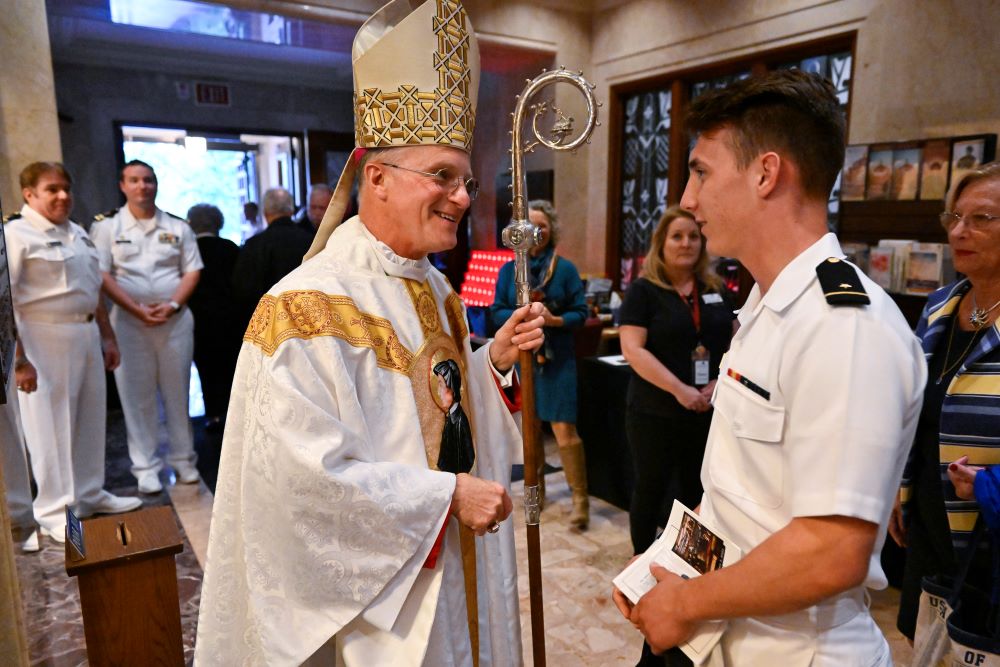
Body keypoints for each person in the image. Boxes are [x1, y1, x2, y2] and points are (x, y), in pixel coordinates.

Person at [195, 2, 545, 664]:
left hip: (456, 571)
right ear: (376, 178)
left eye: (466, 179)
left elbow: (440, 408)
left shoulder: (436, 288)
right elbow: (298, 489)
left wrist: (490, 362)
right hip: (385, 604)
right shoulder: (304, 306)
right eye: (442, 175)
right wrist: (445, 498)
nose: (464, 196)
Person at [613, 69, 926, 665]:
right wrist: (666, 562)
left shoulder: (844, 325)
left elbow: (831, 551)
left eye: (701, 171)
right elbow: (738, 492)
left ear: (766, 173)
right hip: (717, 627)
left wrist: (684, 603)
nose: (687, 197)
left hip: (787, 648)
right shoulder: (767, 306)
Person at [891, 161, 1000, 640]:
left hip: (989, 539)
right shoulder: (939, 306)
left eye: (982, 218)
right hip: (930, 524)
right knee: (928, 645)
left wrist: (989, 485)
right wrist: (901, 484)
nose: (960, 231)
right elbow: (916, 409)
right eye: (955, 217)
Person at [6, 162, 142, 544]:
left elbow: (91, 288)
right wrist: (19, 360)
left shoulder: (77, 232)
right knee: (49, 424)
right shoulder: (16, 234)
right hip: (42, 336)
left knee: (88, 416)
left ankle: (88, 492)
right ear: (29, 194)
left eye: (66, 188)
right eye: (52, 189)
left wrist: (108, 336)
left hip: (84, 333)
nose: (63, 196)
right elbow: (5, 300)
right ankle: (53, 508)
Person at [619, 206, 735, 557]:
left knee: (697, 490)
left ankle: (687, 560)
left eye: (693, 236)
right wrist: (680, 390)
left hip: (706, 410)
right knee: (650, 487)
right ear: (662, 243)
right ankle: (641, 560)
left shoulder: (715, 290)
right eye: (677, 236)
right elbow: (633, 350)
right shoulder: (643, 290)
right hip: (655, 410)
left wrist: (719, 380)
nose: (686, 243)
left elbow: (737, 343)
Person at [90, 160, 203, 494]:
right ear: (123, 185)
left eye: (149, 180)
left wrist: (170, 305)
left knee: (177, 393)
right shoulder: (108, 227)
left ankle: (184, 461)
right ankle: (146, 467)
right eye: (135, 181)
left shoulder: (177, 226)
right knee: (137, 397)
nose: (143, 186)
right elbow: (101, 275)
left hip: (174, 322)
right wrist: (136, 309)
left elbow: (192, 270)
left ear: (156, 185)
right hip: (129, 323)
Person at [490, 200, 591, 530]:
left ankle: (580, 501)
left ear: (551, 230)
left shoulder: (565, 269)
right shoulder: (508, 271)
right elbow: (497, 313)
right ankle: (538, 491)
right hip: (524, 360)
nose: (537, 231)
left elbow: (581, 314)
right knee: (529, 431)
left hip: (557, 360)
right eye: (531, 226)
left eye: (543, 225)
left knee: (564, 430)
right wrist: (525, 317)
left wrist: (554, 319)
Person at [186, 204, 241, 431]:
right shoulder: (230, 248)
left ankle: (213, 414)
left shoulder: (189, 250)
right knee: (229, 368)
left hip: (198, 319)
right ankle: (233, 415)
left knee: (206, 369)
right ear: (218, 223)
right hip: (229, 319)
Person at [232, 187, 314, 325]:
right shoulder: (311, 241)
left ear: (265, 213)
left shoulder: (254, 246)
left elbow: (242, 292)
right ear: (291, 210)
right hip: (307, 320)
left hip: (266, 324)